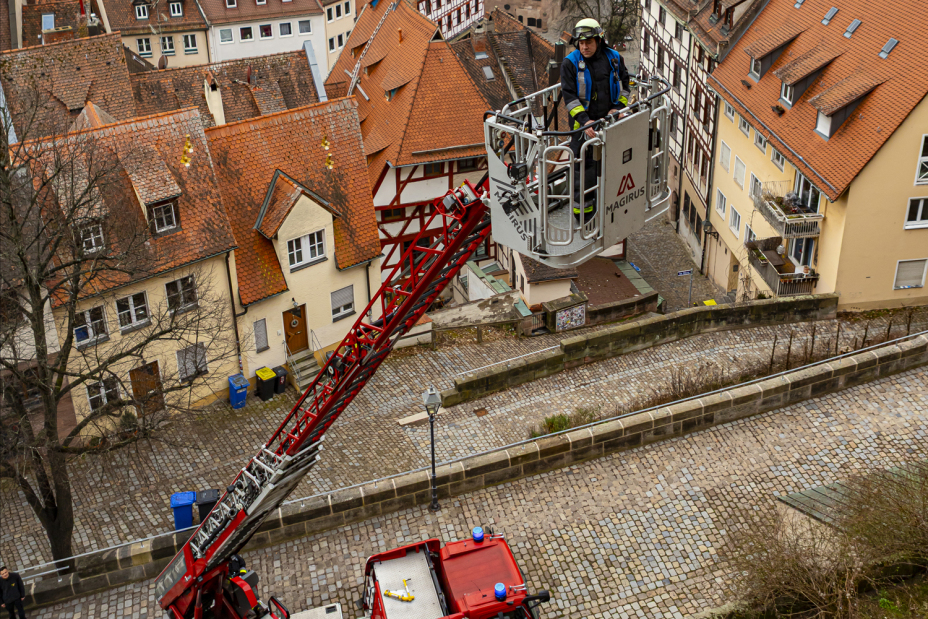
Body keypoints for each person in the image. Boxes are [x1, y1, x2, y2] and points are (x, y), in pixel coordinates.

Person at [560, 18, 631, 224]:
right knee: (583, 174)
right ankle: (583, 216)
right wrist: (585, 121)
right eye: (581, 43)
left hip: (610, 124)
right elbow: (570, 98)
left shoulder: (614, 58)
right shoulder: (570, 63)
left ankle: (609, 208)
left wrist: (617, 108)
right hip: (583, 130)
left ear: (599, 40)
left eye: (588, 42)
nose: (584, 47)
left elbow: (625, 86)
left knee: (612, 168)